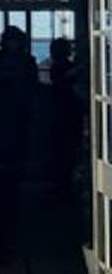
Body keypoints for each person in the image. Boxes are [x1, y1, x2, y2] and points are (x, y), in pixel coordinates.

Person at [0, 26, 39, 263]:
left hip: (11, 133)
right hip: (0, 135)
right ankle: (1, 242)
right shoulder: (3, 64)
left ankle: (5, 241)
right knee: (0, 191)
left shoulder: (20, 64)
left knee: (10, 191)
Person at [47, 37, 82, 201]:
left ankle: (63, 186)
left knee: (62, 154)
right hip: (68, 115)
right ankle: (65, 187)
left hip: (61, 116)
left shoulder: (58, 67)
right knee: (67, 154)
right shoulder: (64, 68)